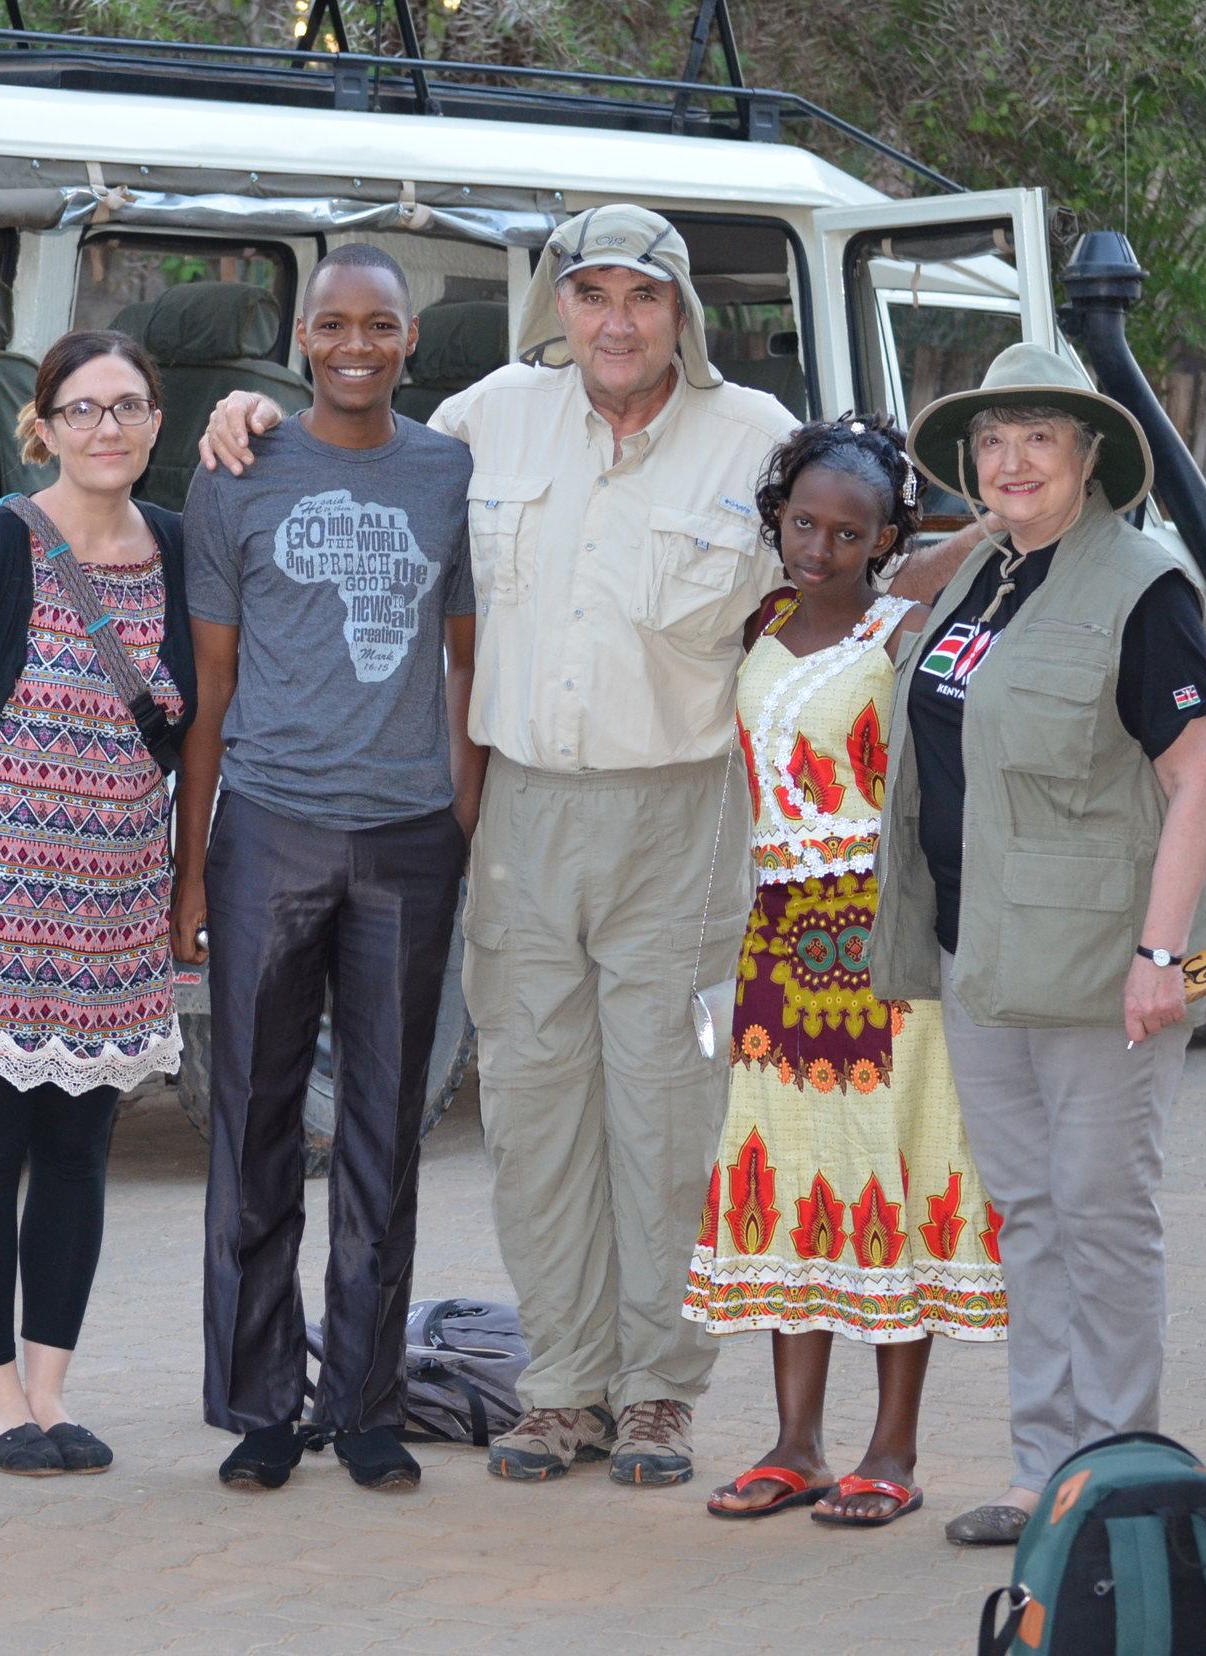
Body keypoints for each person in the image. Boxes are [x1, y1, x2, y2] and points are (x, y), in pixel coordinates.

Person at [205, 206, 979, 1488]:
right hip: (516, 815)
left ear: (682, 312)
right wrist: (246, 412)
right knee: (533, 1105)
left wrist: (1004, 533)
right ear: (556, 307)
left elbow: (866, 564)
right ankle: (561, 1386)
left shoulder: (755, 444)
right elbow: (356, 441)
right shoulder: (483, 420)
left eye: (644, 298)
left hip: (678, 817)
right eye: (592, 296)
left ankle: (662, 1390)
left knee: (667, 1113)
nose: (616, 323)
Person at [870, 342, 1206, 1546]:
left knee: (1101, 1214)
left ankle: (1116, 1474)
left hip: (1098, 962)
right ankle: (1042, 1474)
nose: (1012, 460)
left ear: (1090, 458)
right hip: (981, 952)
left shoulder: (1141, 584)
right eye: (991, 440)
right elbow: (892, 613)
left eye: (1039, 437)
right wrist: (972, 535)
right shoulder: (984, 575)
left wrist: (1161, 955)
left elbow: (1196, 780)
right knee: (1027, 1212)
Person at [171, 244, 480, 1494]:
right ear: (300, 337)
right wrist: (194, 869)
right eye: (334, 323)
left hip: (408, 837)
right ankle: (257, 1405)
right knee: (248, 1124)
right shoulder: (236, 474)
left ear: (410, 341)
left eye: (382, 325)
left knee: (382, 1126)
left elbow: (467, 659)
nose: (357, 343)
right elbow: (212, 688)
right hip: (272, 830)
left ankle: (363, 1405)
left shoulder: (450, 472)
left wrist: (458, 809)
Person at [0, 330, 194, 1478]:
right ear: (44, 427)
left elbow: (189, 728)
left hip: (115, 905)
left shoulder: (176, 549)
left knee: (80, 1148)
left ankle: (53, 1394)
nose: (107, 428)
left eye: (128, 405)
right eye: (82, 409)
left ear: (157, 422)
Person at [687, 416, 1007, 1531]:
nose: (818, 546)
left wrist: (929, 538)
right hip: (775, 942)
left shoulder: (901, 623)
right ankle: (792, 1446)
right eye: (802, 522)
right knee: (788, 1181)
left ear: (884, 538)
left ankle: (892, 1450)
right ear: (775, 516)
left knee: (889, 1182)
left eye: (848, 529)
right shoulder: (765, 614)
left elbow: (996, 528)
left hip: (878, 944)